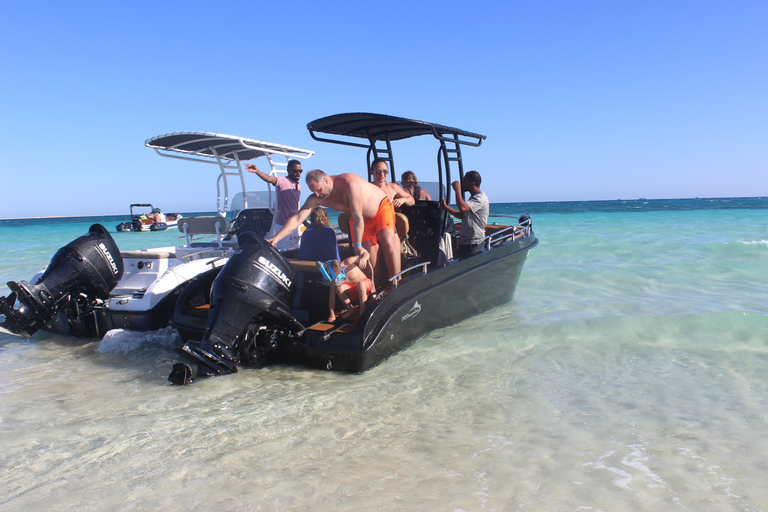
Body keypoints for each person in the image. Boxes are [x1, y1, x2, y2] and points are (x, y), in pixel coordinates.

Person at [266, 169, 401, 291]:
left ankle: (396, 284)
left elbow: (357, 216)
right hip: (359, 219)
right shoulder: (317, 198)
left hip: (380, 209)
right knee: (365, 259)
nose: (317, 194)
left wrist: (358, 245)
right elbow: (297, 219)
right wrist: (276, 238)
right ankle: (373, 291)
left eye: (319, 190)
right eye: (314, 192)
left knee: (387, 241)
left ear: (326, 180)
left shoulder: (349, 183)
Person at [245, 159, 303, 250]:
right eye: (295, 171)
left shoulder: (299, 187)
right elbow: (270, 179)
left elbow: (295, 208)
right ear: (288, 170)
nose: (298, 173)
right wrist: (257, 171)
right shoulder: (283, 181)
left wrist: (304, 221)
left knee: (295, 250)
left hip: (294, 225)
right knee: (283, 252)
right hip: (283, 225)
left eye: (300, 171)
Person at [440, 170, 489, 259]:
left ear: (472, 183)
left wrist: (457, 190)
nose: (463, 183)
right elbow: (462, 215)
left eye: (465, 181)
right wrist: (446, 207)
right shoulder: (473, 198)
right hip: (465, 241)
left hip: (474, 242)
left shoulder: (480, 198)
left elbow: (462, 207)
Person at [321, 256, 372, 322]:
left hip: (366, 285)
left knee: (361, 284)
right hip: (352, 290)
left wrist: (364, 258)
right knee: (339, 288)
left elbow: (365, 254)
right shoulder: (333, 279)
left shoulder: (347, 262)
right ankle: (350, 309)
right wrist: (332, 314)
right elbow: (332, 297)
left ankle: (362, 312)